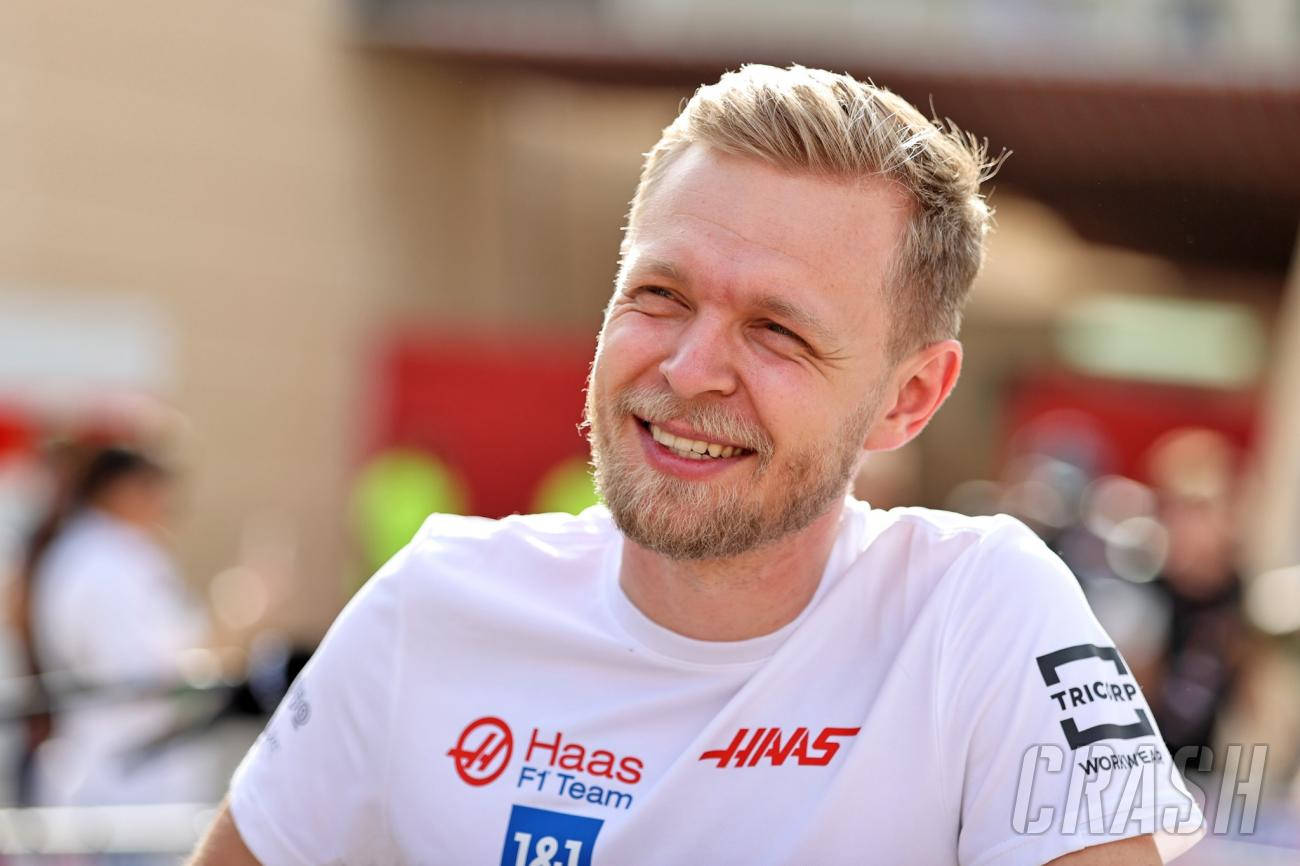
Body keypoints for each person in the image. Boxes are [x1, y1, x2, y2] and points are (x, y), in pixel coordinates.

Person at [192, 65, 1204, 865]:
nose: (686, 368)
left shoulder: (976, 610)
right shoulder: (433, 601)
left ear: (908, 398)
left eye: (776, 331)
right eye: (660, 294)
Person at [27, 446, 211, 807]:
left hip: (123, 774)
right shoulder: (104, 564)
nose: (164, 506)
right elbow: (138, 674)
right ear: (121, 489)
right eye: (154, 490)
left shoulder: (103, 555)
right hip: (124, 780)